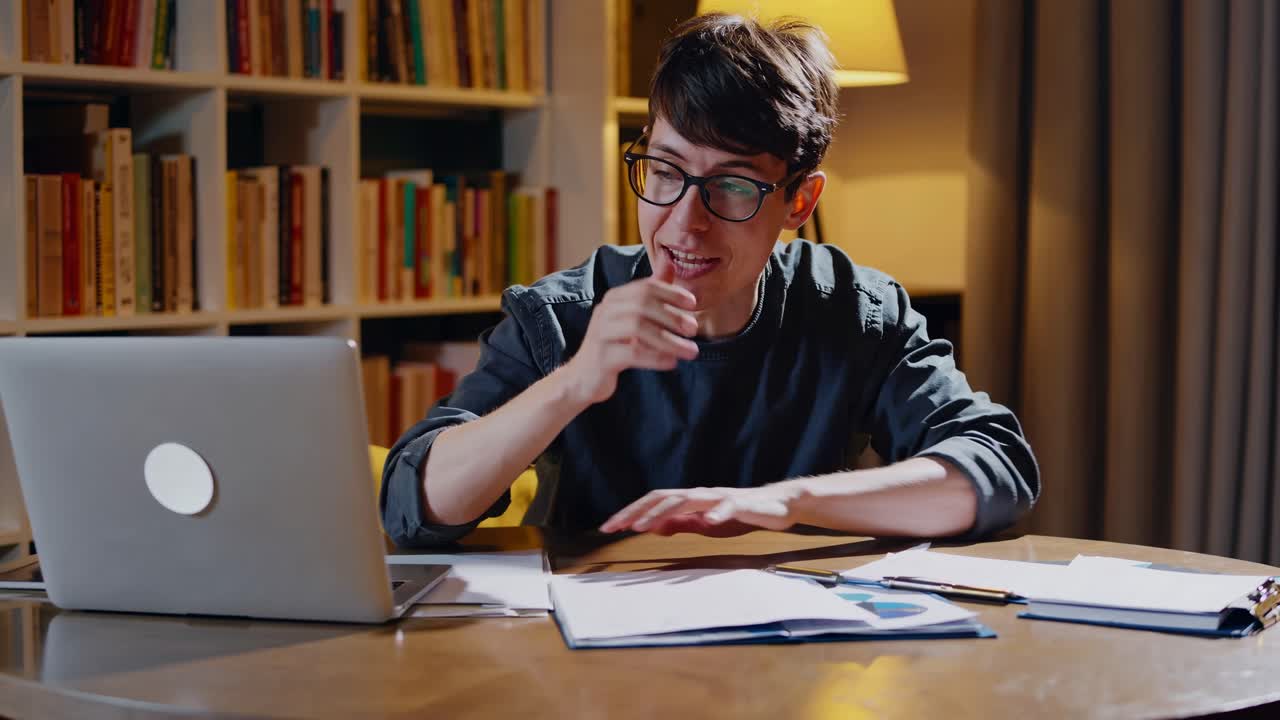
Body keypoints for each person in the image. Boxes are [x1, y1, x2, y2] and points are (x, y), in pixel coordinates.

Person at [380, 13, 1039, 548]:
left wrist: (783, 501)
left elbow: (995, 469)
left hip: (797, 653)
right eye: (666, 172)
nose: (684, 223)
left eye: (731, 184)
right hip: (591, 662)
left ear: (800, 203)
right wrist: (574, 382)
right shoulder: (562, 316)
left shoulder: (852, 311)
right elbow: (415, 502)